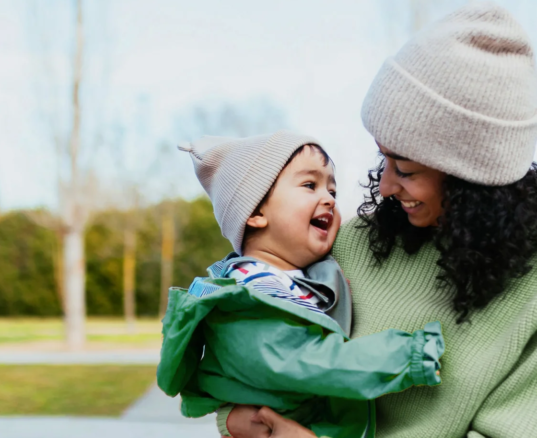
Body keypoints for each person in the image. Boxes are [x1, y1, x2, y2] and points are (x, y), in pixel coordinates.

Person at [225, 3, 537, 437]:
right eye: (382, 158)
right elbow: (253, 343)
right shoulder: (351, 243)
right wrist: (238, 419)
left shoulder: (530, 290)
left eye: (406, 169)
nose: (386, 186)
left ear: (473, 180)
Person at [156, 131, 445, 438]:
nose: (329, 199)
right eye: (310, 185)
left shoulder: (297, 278)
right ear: (255, 212)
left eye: (332, 190)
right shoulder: (249, 299)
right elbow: (312, 361)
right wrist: (409, 356)